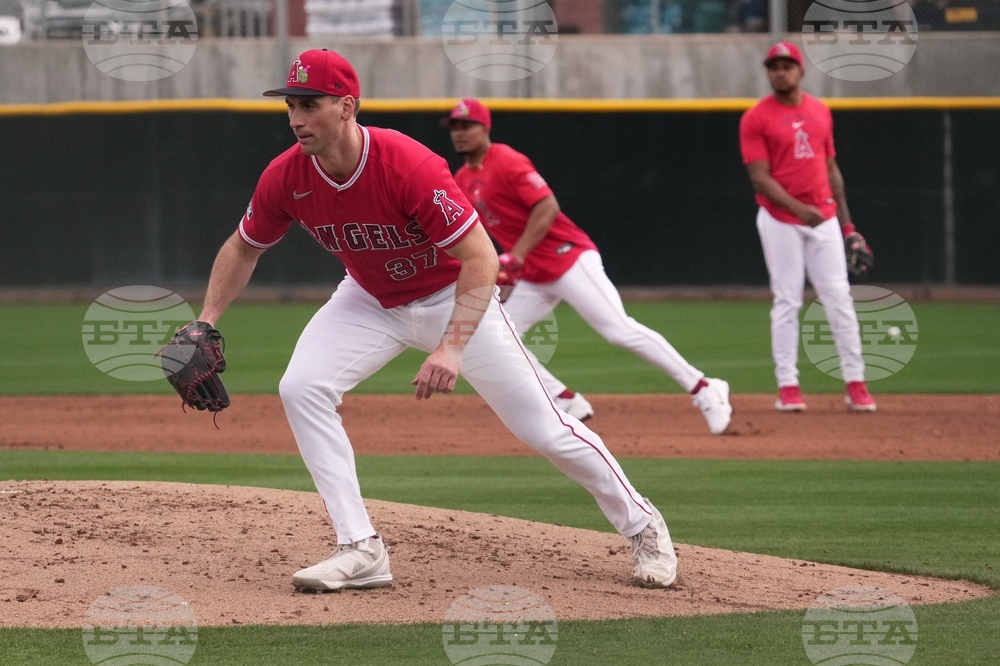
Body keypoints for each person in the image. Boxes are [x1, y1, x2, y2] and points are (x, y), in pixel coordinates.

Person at [195, 49, 678, 591]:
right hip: (370, 298)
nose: (296, 118)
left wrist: (451, 347)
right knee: (302, 387)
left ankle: (643, 526)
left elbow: (482, 258)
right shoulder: (286, 176)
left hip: (453, 296)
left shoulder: (407, 165)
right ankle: (360, 547)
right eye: (291, 105)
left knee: (546, 429)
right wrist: (206, 320)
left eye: (310, 104)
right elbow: (244, 247)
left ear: (347, 107)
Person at [444, 98, 733, 435]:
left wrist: (517, 254)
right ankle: (565, 400)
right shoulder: (462, 178)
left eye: (467, 126)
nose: (460, 133)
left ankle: (704, 387)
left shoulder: (506, 160)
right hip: (533, 275)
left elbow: (547, 206)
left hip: (568, 257)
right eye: (454, 127)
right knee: (498, 332)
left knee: (618, 329)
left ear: (486, 127)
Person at [739, 42, 877, 412]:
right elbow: (759, 179)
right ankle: (788, 386)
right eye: (774, 66)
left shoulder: (819, 111)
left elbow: (832, 171)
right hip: (780, 218)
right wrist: (801, 210)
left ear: (801, 71)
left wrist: (848, 227)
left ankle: (856, 383)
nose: (779, 72)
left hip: (824, 217)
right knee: (787, 300)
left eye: (787, 65)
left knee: (839, 299)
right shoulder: (756, 118)